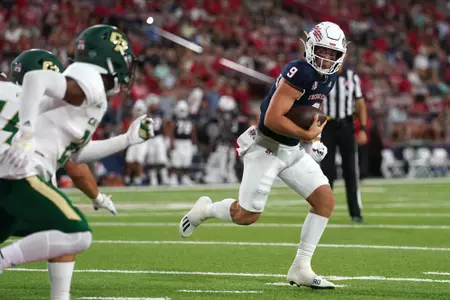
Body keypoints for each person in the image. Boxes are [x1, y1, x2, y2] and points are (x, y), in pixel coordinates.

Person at [179, 21, 347, 289]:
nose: (326, 59)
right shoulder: (299, 72)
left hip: (291, 149)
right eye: (323, 51)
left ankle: (301, 267)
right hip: (267, 145)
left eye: (332, 54)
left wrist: (313, 140)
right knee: (247, 215)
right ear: (311, 47)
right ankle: (205, 209)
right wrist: (307, 136)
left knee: (324, 201)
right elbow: (272, 119)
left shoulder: (330, 78)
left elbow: (308, 115)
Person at [0, 25, 154, 300]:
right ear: (111, 58)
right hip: (21, 170)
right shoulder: (90, 79)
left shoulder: (84, 96)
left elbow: (76, 155)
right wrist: (25, 133)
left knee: (60, 235)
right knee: (75, 233)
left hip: (18, 170)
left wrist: (127, 140)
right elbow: (36, 78)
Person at [320, 65, 367, 222]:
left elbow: (360, 103)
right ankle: (323, 210)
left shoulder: (352, 76)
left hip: (347, 126)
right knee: (326, 170)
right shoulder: (323, 76)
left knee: (351, 170)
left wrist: (362, 128)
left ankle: (356, 212)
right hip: (327, 126)